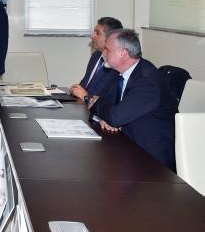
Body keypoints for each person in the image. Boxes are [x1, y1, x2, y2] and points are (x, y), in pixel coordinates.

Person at [87, 29, 177, 171]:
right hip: (126, 145)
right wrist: (103, 117)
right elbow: (109, 107)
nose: (103, 53)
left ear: (123, 53)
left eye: (107, 50)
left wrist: (99, 105)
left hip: (152, 162)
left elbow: (114, 116)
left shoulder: (147, 81)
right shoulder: (120, 73)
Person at [69, 17, 123, 101]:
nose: (92, 36)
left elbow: (109, 100)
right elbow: (85, 84)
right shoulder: (96, 56)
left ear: (111, 38)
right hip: (81, 103)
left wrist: (86, 97)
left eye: (97, 33)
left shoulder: (117, 65)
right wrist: (76, 89)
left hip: (97, 107)